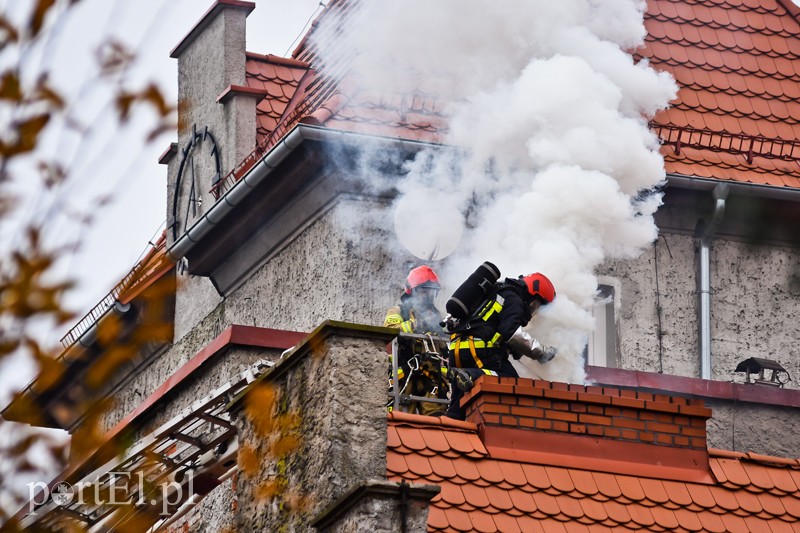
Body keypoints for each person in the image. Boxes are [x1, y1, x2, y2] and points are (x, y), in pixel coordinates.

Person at [445, 272, 557, 420]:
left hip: (457, 349)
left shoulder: (497, 291)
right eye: (536, 303)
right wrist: (541, 353)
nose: (534, 308)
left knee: (457, 408)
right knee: (510, 379)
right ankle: (471, 374)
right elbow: (510, 332)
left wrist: (514, 349)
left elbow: (490, 324)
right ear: (531, 293)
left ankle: (449, 433)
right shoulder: (514, 299)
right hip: (478, 350)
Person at [384, 265, 449, 415]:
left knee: (436, 419)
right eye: (423, 291)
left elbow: (444, 346)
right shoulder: (399, 311)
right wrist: (415, 325)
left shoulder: (438, 317)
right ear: (411, 291)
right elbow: (390, 330)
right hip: (405, 373)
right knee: (401, 418)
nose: (427, 296)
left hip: (431, 376)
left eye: (431, 292)